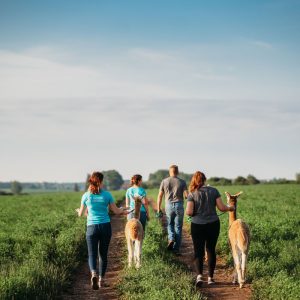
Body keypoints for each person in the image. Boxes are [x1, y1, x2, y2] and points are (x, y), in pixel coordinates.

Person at [76, 171, 128, 290]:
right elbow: (116, 211)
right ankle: (101, 280)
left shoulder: (86, 196)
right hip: (105, 226)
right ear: (101, 181)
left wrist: (80, 210)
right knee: (103, 255)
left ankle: (93, 273)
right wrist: (123, 210)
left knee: (92, 254)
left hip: (91, 227)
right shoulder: (107, 195)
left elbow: (80, 214)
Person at [185, 171, 235, 287]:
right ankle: (211, 278)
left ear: (194, 180)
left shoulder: (192, 194)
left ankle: (199, 277)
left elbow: (189, 212)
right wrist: (230, 208)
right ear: (204, 179)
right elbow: (222, 208)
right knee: (211, 250)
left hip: (197, 225)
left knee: (198, 251)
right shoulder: (214, 191)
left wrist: (194, 213)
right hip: (213, 224)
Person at [157, 165, 188, 255]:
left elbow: (160, 196)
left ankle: (171, 239)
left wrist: (158, 209)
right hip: (179, 205)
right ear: (177, 172)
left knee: (170, 224)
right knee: (178, 227)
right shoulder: (182, 182)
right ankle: (176, 250)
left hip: (169, 206)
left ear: (170, 172)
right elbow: (186, 196)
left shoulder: (164, 181)